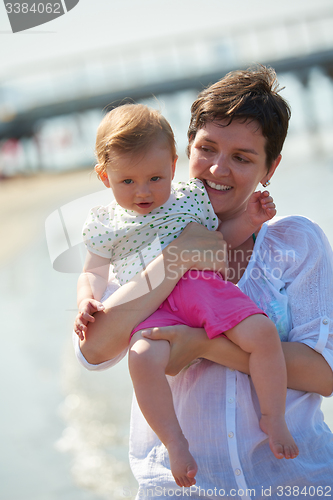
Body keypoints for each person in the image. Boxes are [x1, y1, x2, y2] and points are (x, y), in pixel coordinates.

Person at [74, 66, 333, 498]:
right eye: (206, 148)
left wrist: (203, 344)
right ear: (185, 151)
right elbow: (94, 351)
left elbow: (324, 374)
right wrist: (175, 258)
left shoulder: (296, 242)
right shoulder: (130, 236)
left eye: (243, 157)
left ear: (271, 166)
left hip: (297, 482)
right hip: (183, 488)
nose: (218, 168)